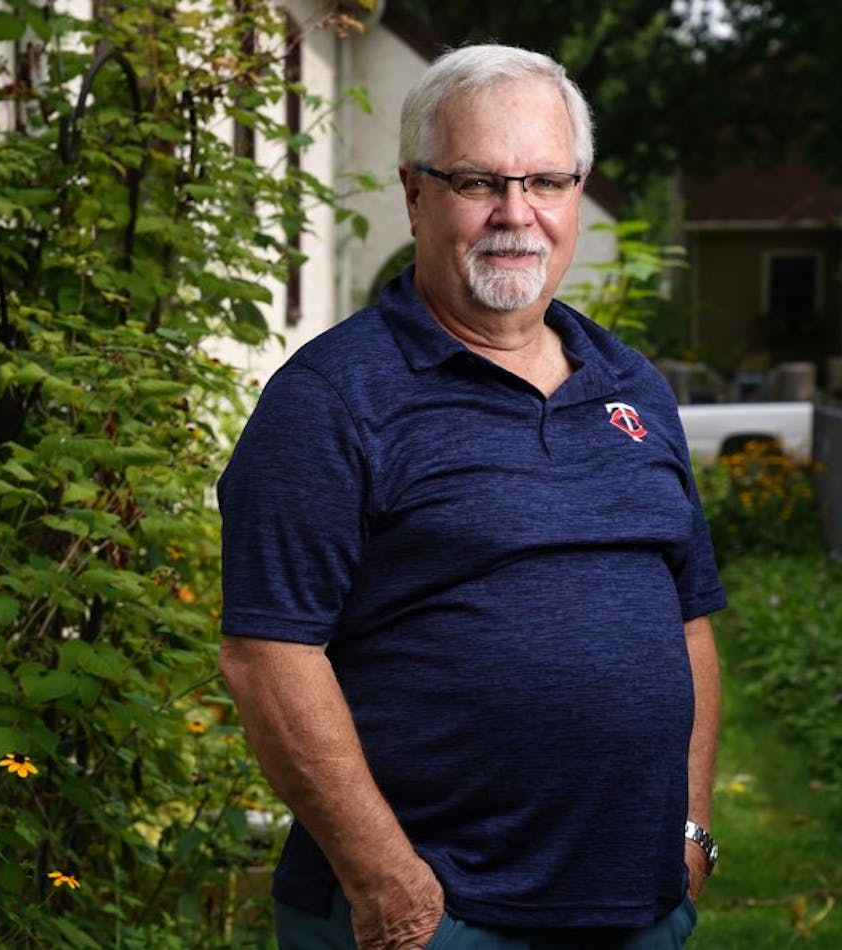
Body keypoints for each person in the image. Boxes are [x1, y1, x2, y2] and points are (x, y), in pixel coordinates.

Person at [216, 44, 725, 950]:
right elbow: (269, 656)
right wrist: (391, 889)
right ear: (416, 195)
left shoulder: (633, 386)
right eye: (479, 182)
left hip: (639, 910)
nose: (517, 216)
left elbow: (688, 620)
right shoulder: (334, 400)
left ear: (577, 193)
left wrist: (686, 836)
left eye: (547, 181)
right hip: (438, 917)